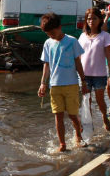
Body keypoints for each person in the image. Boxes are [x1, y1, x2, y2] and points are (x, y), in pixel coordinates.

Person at [37, 12, 89, 152]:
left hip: (71, 85)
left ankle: (78, 136)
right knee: (58, 115)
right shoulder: (48, 43)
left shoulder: (72, 41)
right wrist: (43, 83)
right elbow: (46, 65)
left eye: (52, 32)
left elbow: (78, 63)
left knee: (72, 115)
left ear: (59, 27)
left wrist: (83, 82)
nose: (51, 36)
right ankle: (62, 144)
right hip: (54, 86)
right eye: (48, 34)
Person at [78, 7, 110, 131]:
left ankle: (105, 116)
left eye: (94, 18)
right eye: (89, 18)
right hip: (84, 76)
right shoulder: (82, 36)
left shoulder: (105, 36)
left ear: (100, 20)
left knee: (100, 101)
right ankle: (89, 125)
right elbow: (77, 57)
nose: (91, 21)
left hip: (99, 75)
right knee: (86, 102)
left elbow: (109, 56)